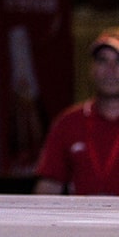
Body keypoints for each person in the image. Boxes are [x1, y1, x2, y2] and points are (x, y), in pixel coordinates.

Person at [33, 28, 119, 195]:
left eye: (118, 61)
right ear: (92, 69)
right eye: (102, 61)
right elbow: (48, 188)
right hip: (80, 212)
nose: (111, 70)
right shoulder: (69, 122)